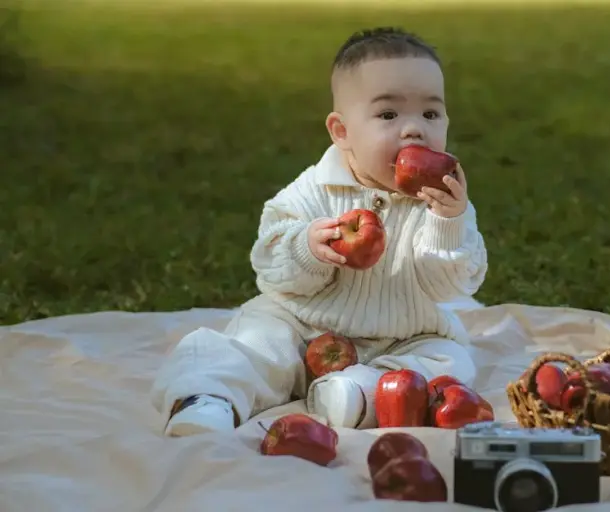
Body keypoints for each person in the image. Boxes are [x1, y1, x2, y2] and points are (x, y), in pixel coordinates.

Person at [150, 26, 488, 436]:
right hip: (303, 325)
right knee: (253, 342)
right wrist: (306, 248)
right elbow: (270, 264)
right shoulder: (314, 189)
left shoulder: (441, 203)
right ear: (341, 131)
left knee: (449, 360)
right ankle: (206, 399)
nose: (414, 129)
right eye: (388, 114)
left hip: (403, 334)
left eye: (430, 114)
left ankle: (356, 394)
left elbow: (450, 288)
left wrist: (447, 224)